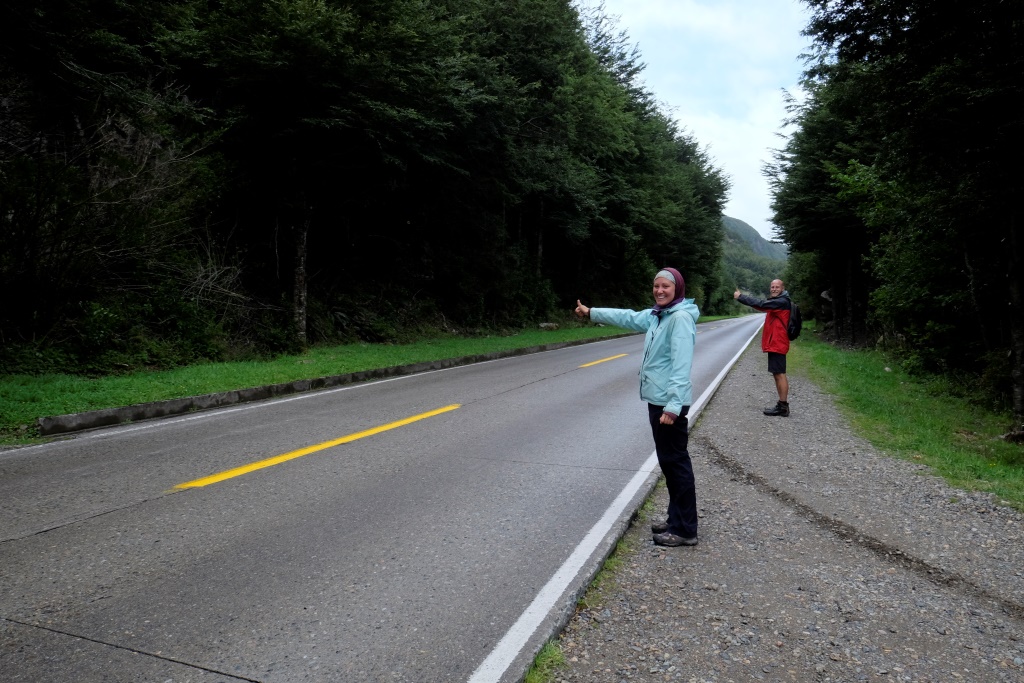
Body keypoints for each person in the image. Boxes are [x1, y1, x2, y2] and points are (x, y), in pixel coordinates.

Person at [575, 267, 700, 547]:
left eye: (665, 286)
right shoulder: (660, 315)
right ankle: (676, 519)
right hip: (659, 399)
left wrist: (673, 407)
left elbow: (681, 366)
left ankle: (685, 529)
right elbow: (628, 317)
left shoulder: (679, 318)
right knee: (669, 462)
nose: (660, 291)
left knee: (676, 463)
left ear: (677, 288)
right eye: (656, 286)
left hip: (668, 403)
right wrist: (592, 312)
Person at [733, 279, 792, 417]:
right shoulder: (778, 301)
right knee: (777, 373)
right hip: (775, 343)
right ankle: (782, 405)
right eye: (772, 287)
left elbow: (761, 304)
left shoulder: (782, 302)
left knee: (780, 374)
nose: (774, 289)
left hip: (778, 343)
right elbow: (762, 306)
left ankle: (783, 406)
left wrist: (741, 297)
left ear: (783, 289)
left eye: (777, 287)